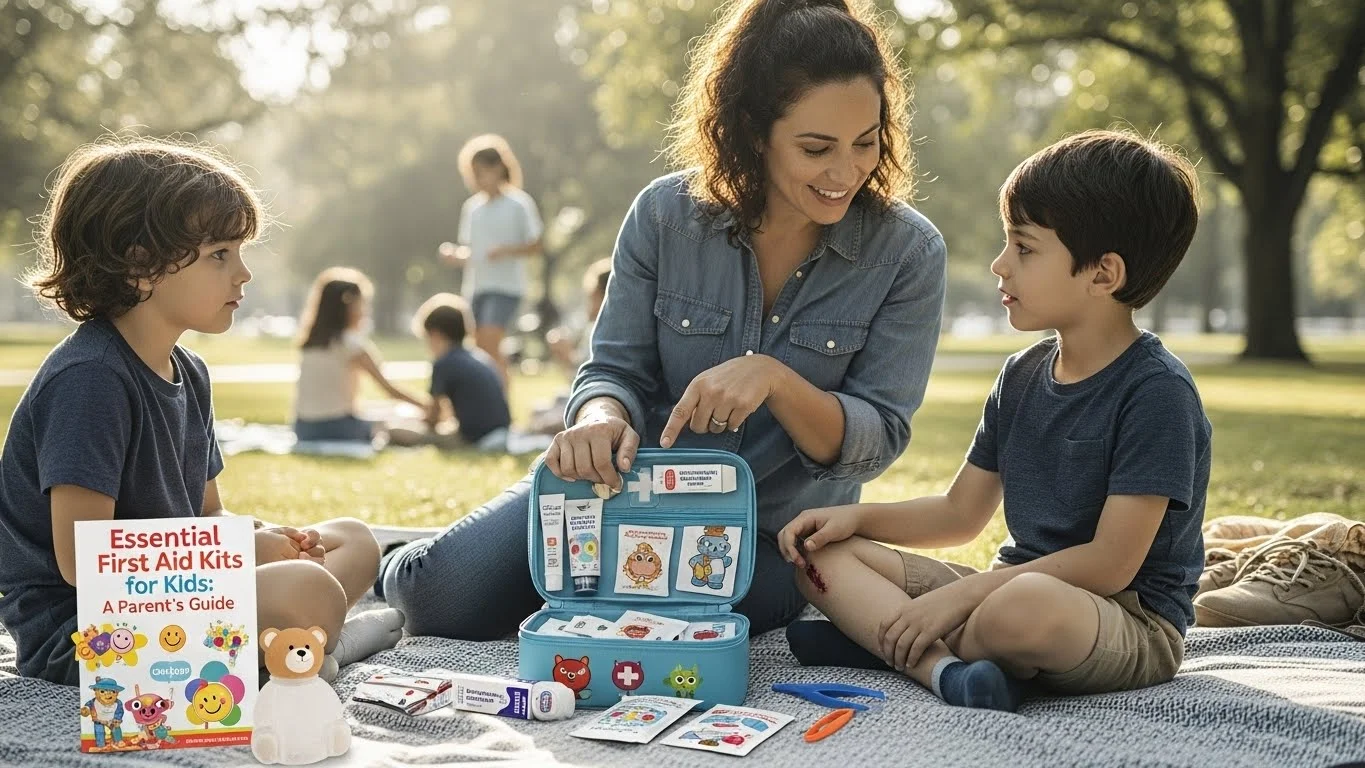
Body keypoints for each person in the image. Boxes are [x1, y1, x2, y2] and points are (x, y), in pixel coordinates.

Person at [378, 0, 948, 641]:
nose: (846, 172)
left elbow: (876, 438)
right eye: (816, 148)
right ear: (753, 131)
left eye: (866, 142)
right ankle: (393, 555)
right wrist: (598, 419)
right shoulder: (663, 215)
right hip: (617, 495)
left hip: (768, 538)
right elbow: (613, 371)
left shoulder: (909, 253)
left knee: (647, 624)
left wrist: (775, 380)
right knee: (438, 599)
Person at [779, 129, 1210, 713]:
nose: (999, 264)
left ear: (1103, 274)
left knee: (1024, 607)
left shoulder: (1157, 392)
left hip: (1118, 617)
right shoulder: (1021, 374)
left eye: (1024, 248)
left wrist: (964, 597)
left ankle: (887, 639)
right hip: (1004, 592)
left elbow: (1110, 564)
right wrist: (853, 517)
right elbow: (959, 514)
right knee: (820, 556)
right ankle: (941, 667)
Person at [0, 137, 402, 687]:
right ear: (141, 265)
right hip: (88, 631)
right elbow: (84, 562)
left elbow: (208, 513)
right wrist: (239, 551)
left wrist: (264, 536)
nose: (244, 273)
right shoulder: (89, 380)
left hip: (178, 591)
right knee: (308, 588)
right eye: (220, 254)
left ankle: (299, 643)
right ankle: (311, 645)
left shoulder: (190, 373)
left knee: (353, 541)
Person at [439, 134, 544, 389]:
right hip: (477, 287)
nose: (475, 178)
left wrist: (506, 250)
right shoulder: (472, 208)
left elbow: (536, 245)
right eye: (472, 173)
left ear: (497, 168)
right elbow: (472, 252)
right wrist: (455, 255)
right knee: (481, 350)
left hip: (506, 287)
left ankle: (498, 403)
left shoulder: (519, 204)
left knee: (488, 343)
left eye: (480, 171)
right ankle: (495, 399)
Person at [293, 267, 430, 444]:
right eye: (362, 304)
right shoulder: (351, 344)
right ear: (348, 306)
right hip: (337, 428)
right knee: (399, 420)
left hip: (303, 429)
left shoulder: (310, 343)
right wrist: (429, 408)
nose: (365, 311)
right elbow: (390, 390)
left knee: (380, 411)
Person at [410, 292, 512, 449]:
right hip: (502, 432)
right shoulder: (479, 356)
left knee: (397, 431)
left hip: (476, 439)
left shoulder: (444, 363)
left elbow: (433, 419)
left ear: (435, 334)